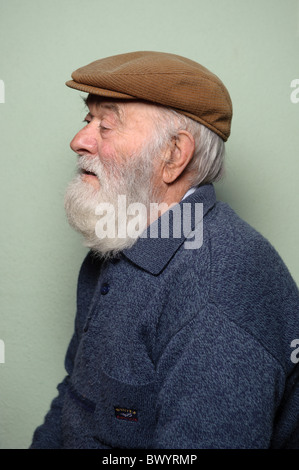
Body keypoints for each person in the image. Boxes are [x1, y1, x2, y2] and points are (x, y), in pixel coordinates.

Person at [30, 51, 299, 449]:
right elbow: (77, 400)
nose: (79, 140)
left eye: (107, 124)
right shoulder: (116, 236)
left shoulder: (218, 295)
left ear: (173, 155)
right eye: (88, 119)